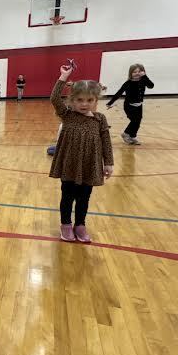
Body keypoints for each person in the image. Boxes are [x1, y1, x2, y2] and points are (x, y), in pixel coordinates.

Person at [49, 65, 114, 243]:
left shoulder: (100, 119)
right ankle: (65, 225)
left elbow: (106, 142)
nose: (84, 104)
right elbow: (54, 98)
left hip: (89, 165)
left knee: (84, 198)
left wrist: (108, 163)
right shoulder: (67, 115)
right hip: (69, 164)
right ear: (72, 100)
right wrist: (63, 77)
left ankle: (80, 225)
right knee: (67, 196)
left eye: (89, 100)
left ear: (96, 100)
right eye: (79, 100)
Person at [106, 63, 154, 145]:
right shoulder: (128, 83)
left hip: (139, 105)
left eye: (139, 71)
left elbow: (151, 86)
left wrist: (145, 76)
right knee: (134, 120)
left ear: (143, 72)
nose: (137, 73)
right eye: (134, 72)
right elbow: (119, 93)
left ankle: (132, 136)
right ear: (130, 73)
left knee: (138, 122)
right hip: (129, 106)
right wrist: (110, 103)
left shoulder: (143, 81)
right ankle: (126, 134)